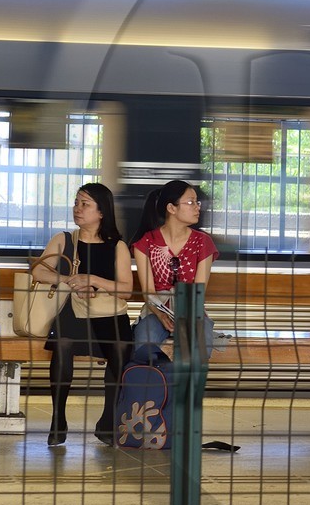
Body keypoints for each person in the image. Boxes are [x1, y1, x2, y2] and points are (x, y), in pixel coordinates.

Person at [33, 183, 134, 447]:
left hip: (107, 313)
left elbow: (126, 290)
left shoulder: (118, 246)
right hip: (73, 311)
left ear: (102, 212)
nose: (77, 209)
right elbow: (38, 272)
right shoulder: (64, 239)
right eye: (76, 202)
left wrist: (95, 281)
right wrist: (70, 280)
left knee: (121, 348)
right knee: (63, 345)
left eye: (85, 204)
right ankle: (58, 419)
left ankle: (108, 420)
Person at [131, 179, 217, 356]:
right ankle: (154, 381)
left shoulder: (203, 242)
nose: (197, 207)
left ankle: (186, 383)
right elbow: (149, 292)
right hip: (156, 310)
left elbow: (198, 291)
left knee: (197, 347)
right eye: (191, 202)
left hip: (191, 310)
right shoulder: (145, 242)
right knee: (144, 343)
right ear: (171, 208)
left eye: (197, 202)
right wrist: (161, 315)